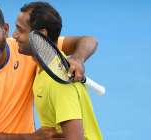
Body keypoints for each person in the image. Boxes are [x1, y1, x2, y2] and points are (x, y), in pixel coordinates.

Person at [0, 2, 98, 140]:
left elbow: (87, 40)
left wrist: (78, 58)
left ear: (5, 29)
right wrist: (33, 138)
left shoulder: (27, 48)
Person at [12, 1, 103, 140]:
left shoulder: (58, 82)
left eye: (20, 30)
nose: (14, 35)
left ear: (40, 36)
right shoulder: (45, 64)